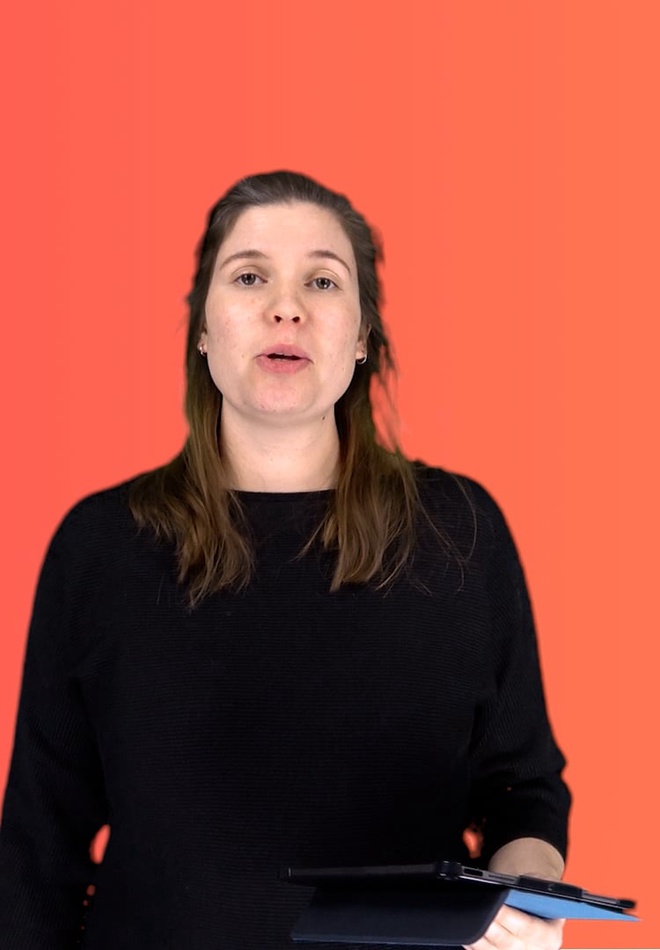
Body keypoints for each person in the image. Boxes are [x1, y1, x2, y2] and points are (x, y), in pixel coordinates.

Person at [0, 171, 570, 949]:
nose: (286, 306)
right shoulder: (100, 548)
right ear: (203, 330)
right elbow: (37, 853)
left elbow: (524, 794)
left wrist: (529, 901)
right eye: (249, 276)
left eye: (322, 281)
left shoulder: (459, 534)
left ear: (362, 336)